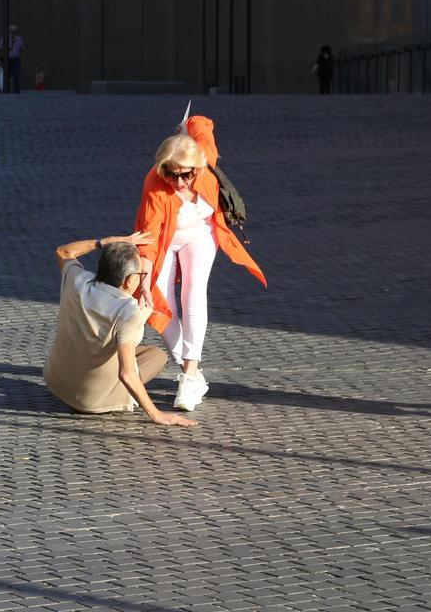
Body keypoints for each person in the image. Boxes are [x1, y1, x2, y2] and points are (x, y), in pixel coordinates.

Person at [134, 115, 267, 411]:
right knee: (158, 297)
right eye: (172, 175)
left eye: (187, 175)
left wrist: (186, 126)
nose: (179, 182)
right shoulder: (154, 185)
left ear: (198, 167)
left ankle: (189, 374)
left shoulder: (205, 156)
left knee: (192, 293)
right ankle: (190, 369)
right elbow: (148, 235)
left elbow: (202, 125)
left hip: (201, 233)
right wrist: (143, 278)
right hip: (166, 239)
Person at [44, 232, 197, 427]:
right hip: (90, 401)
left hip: (57, 381)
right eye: (140, 275)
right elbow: (126, 372)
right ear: (128, 280)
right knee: (157, 356)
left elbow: (63, 251)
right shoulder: (127, 311)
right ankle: (110, 397)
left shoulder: (79, 280)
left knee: (142, 352)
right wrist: (157, 415)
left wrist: (104, 242)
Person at [1, 24, 24, 94]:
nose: (13, 33)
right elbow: (0, 48)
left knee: (16, 75)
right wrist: (7, 49)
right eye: (12, 31)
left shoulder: (19, 39)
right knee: (6, 76)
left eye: (15, 31)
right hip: (8, 60)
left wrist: (22, 48)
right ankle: (6, 90)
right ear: (9, 31)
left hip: (16, 59)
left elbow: (22, 48)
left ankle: (17, 91)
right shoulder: (5, 39)